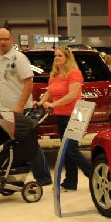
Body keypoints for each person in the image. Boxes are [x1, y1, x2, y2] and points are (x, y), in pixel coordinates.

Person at [0, 27, 52, 186]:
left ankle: (43, 177)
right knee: (3, 143)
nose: (2, 42)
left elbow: (29, 83)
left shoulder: (19, 58)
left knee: (28, 144)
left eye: (5, 39)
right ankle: (6, 176)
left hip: (20, 109)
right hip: (2, 110)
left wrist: (20, 106)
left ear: (11, 40)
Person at [37, 46, 92, 192]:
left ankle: (93, 174)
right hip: (61, 115)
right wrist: (41, 102)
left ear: (67, 58)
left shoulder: (74, 73)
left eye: (60, 56)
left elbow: (72, 95)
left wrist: (53, 104)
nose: (56, 58)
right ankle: (70, 182)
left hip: (76, 115)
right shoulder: (54, 75)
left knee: (71, 149)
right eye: (55, 56)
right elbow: (49, 91)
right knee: (66, 149)